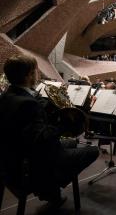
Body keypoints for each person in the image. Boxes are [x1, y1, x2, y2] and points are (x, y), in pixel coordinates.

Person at [0, 55, 99, 208]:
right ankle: (49, 186)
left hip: (12, 157)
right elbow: (43, 138)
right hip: (30, 165)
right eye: (36, 71)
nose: (38, 74)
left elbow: (30, 128)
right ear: (29, 75)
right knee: (93, 151)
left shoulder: (7, 96)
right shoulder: (28, 103)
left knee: (72, 142)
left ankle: (50, 191)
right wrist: (65, 123)